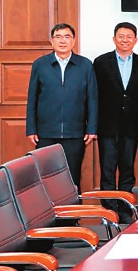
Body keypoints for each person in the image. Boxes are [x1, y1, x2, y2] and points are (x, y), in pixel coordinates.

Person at [26, 23, 98, 189]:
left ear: (73, 41)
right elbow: (32, 98)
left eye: (67, 37)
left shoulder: (85, 65)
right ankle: (48, 207)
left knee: (72, 177)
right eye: (58, 37)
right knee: (46, 177)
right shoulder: (40, 64)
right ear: (52, 41)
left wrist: (92, 128)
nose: (62, 41)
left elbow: (92, 98)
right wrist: (31, 129)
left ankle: (72, 207)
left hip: (75, 132)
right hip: (46, 132)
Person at [93, 22, 138, 224]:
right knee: (107, 170)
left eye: (129, 37)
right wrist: (93, 125)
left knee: (127, 169)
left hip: (132, 126)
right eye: (121, 36)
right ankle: (109, 212)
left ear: (135, 40)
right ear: (114, 39)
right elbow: (94, 96)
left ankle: (125, 211)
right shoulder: (100, 62)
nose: (125, 40)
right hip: (107, 125)